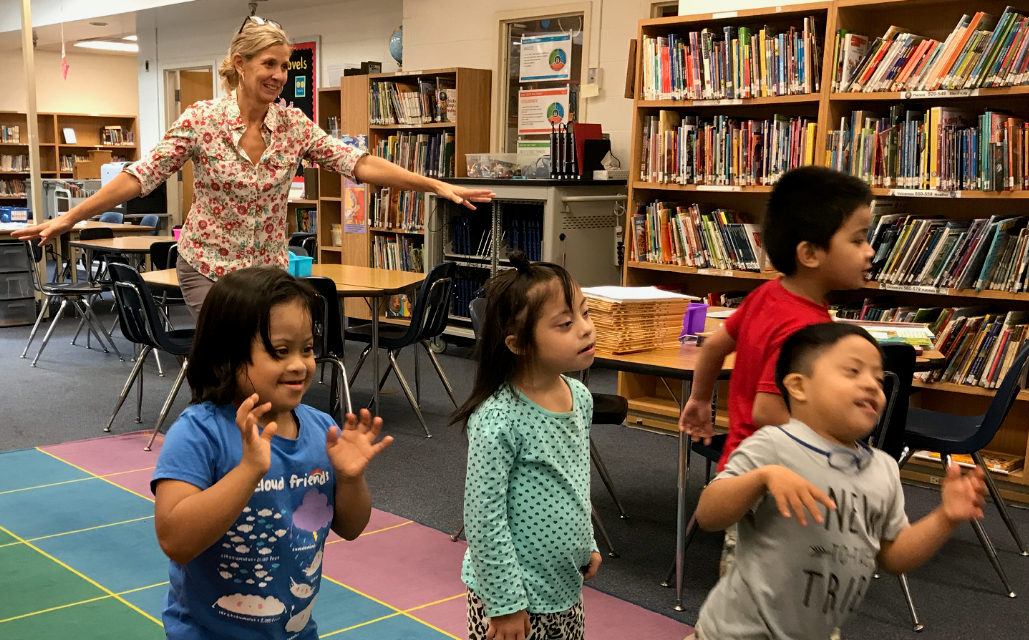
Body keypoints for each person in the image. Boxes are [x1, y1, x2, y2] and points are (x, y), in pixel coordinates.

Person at [15, 17, 493, 317]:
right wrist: (70, 217)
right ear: (240, 65)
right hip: (207, 265)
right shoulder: (202, 119)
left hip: (267, 268)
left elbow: (359, 164)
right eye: (270, 64)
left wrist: (434, 183)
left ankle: (264, 462)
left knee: (266, 367)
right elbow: (140, 176)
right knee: (227, 367)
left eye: (285, 66)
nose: (279, 76)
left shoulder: (292, 124)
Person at [689, 323, 988, 640]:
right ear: (799, 387)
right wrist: (762, 477)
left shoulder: (883, 468)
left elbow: (894, 557)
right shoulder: (775, 445)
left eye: (878, 377)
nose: (872, 385)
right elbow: (708, 515)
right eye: (852, 371)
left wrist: (945, 517)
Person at [150, 267, 393, 639]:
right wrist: (248, 471)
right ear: (227, 354)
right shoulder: (199, 432)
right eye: (280, 351)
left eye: (307, 349)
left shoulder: (318, 429)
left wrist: (349, 478)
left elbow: (352, 526)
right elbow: (175, 540)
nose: (299, 364)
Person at [677, 166, 876, 574]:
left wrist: (700, 400)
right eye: (857, 240)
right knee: (759, 586)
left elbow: (715, 345)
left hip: (746, 467)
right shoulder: (804, 326)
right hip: (773, 477)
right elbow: (768, 410)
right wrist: (838, 439)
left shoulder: (769, 293)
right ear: (810, 254)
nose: (870, 250)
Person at [452, 250, 602, 640]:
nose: (586, 329)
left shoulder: (579, 397)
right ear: (518, 344)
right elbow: (483, 519)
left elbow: (576, 481)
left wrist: (588, 541)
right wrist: (504, 606)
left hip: (564, 587)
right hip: (511, 599)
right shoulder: (498, 419)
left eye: (585, 313)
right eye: (566, 323)